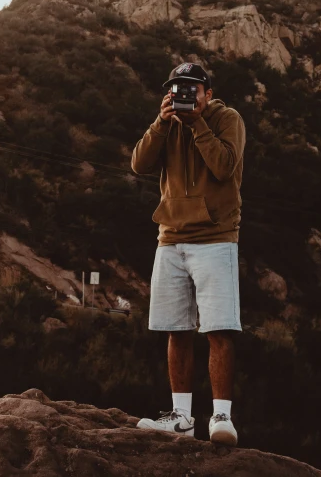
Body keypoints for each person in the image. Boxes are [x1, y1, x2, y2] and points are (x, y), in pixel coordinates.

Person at [132, 62, 246, 446]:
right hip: (170, 238)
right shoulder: (165, 124)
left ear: (207, 93)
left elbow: (225, 167)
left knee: (219, 328)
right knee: (175, 329)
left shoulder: (226, 118)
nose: (184, 94)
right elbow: (139, 164)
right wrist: (161, 123)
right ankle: (181, 417)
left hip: (215, 237)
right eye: (176, 88)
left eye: (191, 88)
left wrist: (198, 123)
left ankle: (221, 418)